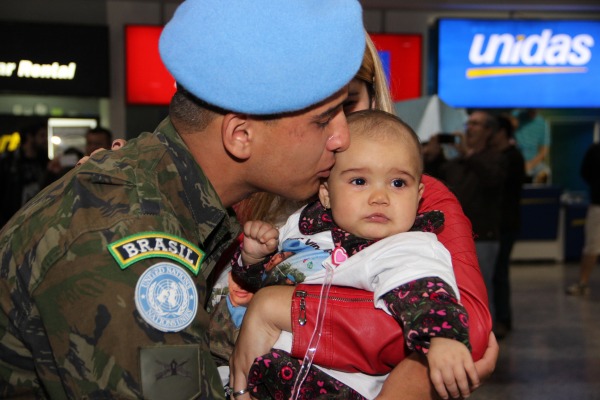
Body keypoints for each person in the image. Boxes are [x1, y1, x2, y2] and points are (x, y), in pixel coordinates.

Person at [0, 0, 367, 398]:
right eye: (323, 120)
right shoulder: (126, 234)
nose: (342, 138)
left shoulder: (172, 194)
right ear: (240, 136)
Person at [228, 33, 497, 399]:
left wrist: (277, 307)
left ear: (374, 95)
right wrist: (252, 263)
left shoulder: (411, 217)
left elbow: (466, 329)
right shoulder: (263, 198)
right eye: (314, 110)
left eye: (348, 102)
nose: (335, 130)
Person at [438, 110, 506, 320]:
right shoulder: (457, 162)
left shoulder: (497, 158)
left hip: (483, 236)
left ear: (488, 131)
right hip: (454, 237)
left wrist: (469, 154)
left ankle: (486, 340)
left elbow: (492, 179)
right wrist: (433, 154)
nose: (469, 128)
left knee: (481, 294)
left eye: (476, 124)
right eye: (469, 124)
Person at [489, 115, 526, 338]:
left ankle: (503, 319)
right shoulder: (501, 156)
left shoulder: (512, 158)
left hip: (505, 223)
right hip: (498, 223)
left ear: (501, 132)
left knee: (499, 273)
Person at [566, 142, 600, 296]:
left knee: (591, 245)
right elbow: (586, 173)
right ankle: (583, 283)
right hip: (598, 204)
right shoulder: (595, 149)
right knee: (592, 245)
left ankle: (583, 283)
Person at [0, 122, 49, 227]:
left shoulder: (43, 161)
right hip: (11, 222)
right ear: (30, 137)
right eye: (42, 135)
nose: (45, 140)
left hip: (36, 221)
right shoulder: (9, 162)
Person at [512, 108, 550, 183]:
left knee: (545, 172)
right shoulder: (516, 116)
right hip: (515, 161)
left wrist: (530, 164)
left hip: (533, 163)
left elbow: (544, 150)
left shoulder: (543, 124)